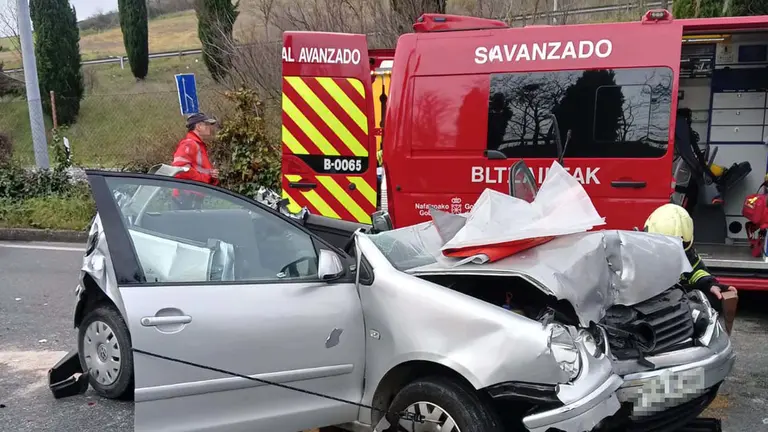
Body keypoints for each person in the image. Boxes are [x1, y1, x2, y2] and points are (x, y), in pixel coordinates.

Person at [643, 203, 737, 313]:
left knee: (715, 299)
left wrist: (709, 285)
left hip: (675, 297)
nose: (673, 252)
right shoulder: (635, 253)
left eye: (680, 246)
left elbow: (696, 270)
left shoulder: (687, 253)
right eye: (667, 246)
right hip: (647, 301)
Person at [171, 113, 220, 209]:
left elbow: (197, 168)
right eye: (206, 124)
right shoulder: (190, 144)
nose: (209, 127)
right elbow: (179, 169)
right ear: (198, 126)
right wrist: (205, 178)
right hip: (186, 197)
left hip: (191, 196)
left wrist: (211, 175)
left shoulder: (197, 145)